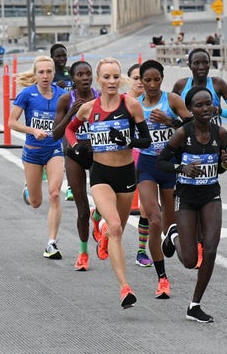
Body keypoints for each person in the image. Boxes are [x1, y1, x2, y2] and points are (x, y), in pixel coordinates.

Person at [64, 57, 152, 309]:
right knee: (114, 226)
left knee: (118, 231)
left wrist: (127, 139)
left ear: (120, 78)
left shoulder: (131, 105)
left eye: (116, 77)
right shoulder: (88, 108)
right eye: (107, 77)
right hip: (100, 173)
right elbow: (70, 130)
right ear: (98, 80)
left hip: (126, 174)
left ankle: (100, 228)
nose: (111, 82)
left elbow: (146, 141)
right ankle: (125, 288)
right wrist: (76, 146)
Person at [158, 85, 227, 323]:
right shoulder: (183, 134)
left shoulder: (220, 134)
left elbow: (220, 168)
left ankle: (194, 305)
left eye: (208, 103)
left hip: (211, 194)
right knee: (190, 261)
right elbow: (161, 162)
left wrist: (225, 164)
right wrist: (181, 168)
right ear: (189, 109)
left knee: (210, 249)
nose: (205, 108)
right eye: (199, 105)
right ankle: (173, 235)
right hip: (186, 196)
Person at [171, 47, 227, 268]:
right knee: (189, 196)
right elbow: (171, 111)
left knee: (207, 195)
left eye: (205, 63)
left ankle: (199, 246)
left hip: (210, 145)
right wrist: (174, 126)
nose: (201, 67)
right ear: (189, 65)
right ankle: (181, 238)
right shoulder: (181, 86)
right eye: (197, 63)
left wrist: (218, 111)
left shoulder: (218, 84)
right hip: (185, 145)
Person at [136, 59, 192, 300]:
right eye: (147, 80)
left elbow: (193, 127)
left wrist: (169, 122)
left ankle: (169, 243)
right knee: (155, 221)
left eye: (156, 79)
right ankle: (162, 278)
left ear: (162, 79)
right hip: (147, 165)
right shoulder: (134, 105)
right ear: (140, 80)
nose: (152, 84)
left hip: (169, 166)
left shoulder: (172, 100)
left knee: (170, 228)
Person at [8, 55, 67, 260]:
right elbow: (11, 122)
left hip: (54, 150)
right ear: (35, 74)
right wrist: (32, 130)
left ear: (53, 73)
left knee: (55, 194)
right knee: (35, 202)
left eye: (49, 72)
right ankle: (29, 189)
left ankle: (51, 242)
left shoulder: (63, 95)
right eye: (41, 72)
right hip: (32, 151)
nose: (45, 76)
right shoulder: (27, 94)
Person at [52, 60, 100, 271]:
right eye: (80, 74)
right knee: (81, 208)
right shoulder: (65, 99)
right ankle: (83, 253)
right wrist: (72, 113)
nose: (85, 78)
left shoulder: (101, 97)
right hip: (74, 154)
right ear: (73, 79)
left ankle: (97, 214)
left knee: (105, 202)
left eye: (88, 73)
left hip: (98, 153)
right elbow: (55, 134)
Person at [124, 63, 153, 269]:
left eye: (143, 78)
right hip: (123, 159)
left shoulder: (156, 102)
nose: (140, 82)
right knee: (118, 210)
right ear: (129, 80)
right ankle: (98, 214)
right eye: (136, 78)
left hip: (146, 159)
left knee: (146, 209)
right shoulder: (121, 102)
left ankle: (141, 251)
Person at [49, 43, 74, 200]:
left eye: (64, 55)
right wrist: (54, 87)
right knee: (48, 151)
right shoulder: (49, 74)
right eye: (58, 56)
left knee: (68, 151)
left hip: (71, 118)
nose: (62, 59)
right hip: (53, 117)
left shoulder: (70, 71)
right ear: (52, 58)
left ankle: (71, 187)